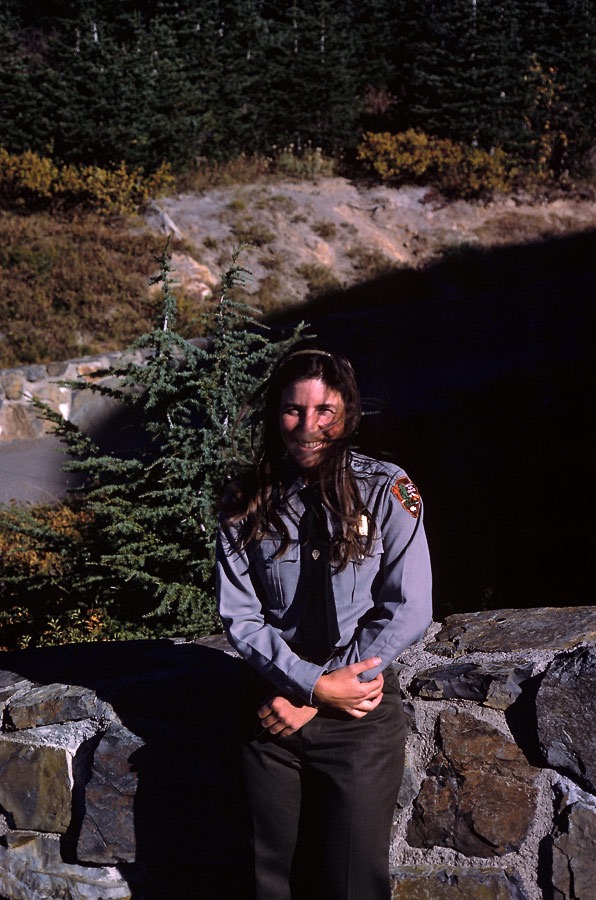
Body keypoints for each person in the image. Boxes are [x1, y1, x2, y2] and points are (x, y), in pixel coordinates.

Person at [216, 347, 432, 900]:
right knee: (268, 883)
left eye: (324, 411)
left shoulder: (387, 490)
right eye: (293, 410)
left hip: (359, 714)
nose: (308, 427)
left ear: (348, 414)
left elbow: (407, 607)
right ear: (275, 414)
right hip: (274, 717)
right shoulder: (246, 500)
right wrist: (305, 686)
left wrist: (321, 691)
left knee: (353, 883)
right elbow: (240, 615)